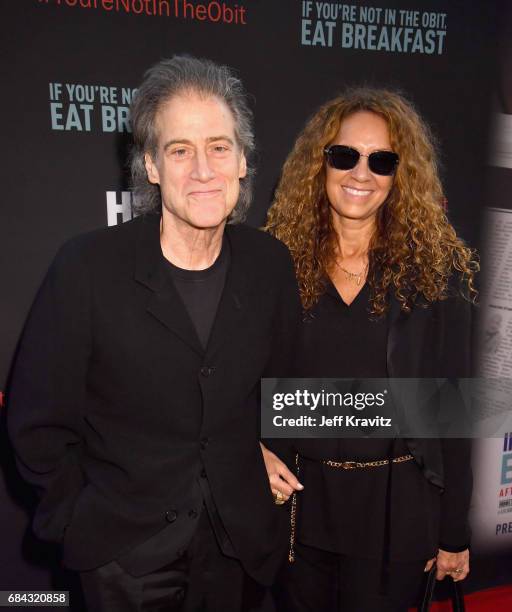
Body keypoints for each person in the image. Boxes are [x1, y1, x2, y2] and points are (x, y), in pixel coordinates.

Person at [7, 56, 301, 612]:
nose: (203, 170)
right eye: (179, 150)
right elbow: (37, 426)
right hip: (126, 558)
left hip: (239, 550)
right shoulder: (87, 268)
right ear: (151, 166)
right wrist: (80, 521)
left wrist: (259, 452)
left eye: (219, 146)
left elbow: (283, 388)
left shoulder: (270, 266)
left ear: (242, 161)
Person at [263, 88, 479, 611]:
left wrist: (453, 529)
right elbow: (246, 378)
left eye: (381, 161)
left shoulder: (435, 273)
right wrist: (259, 447)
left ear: (400, 175)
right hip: (298, 508)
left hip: (396, 513)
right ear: (321, 163)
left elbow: (453, 408)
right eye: (345, 156)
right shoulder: (275, 264)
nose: (361, 174)